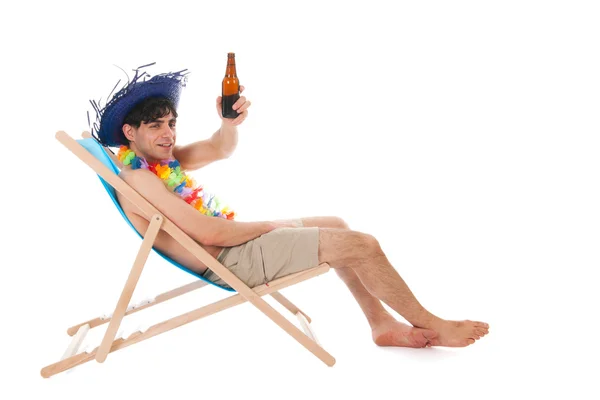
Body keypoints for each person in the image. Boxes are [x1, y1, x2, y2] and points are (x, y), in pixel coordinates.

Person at [90, 64, 489, 349]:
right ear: (130, 133)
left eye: (172, 123)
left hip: (234, 247)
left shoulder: (164, 162)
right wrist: (270, 225)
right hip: (232, 261)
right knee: (362, 244)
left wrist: (229, 124)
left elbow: (219, 148)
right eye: (156, 126)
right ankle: (434, 324)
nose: (168, 134)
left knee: (337, 223)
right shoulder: (139, 179)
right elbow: (211, 233)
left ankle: (381, 324)